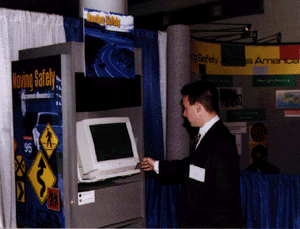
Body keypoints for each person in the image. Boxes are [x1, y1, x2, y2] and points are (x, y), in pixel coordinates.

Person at [141, 80, 245, 228]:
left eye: (185, 108)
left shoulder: (221, 142)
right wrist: (156, 165)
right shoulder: (209, 135)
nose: (184, 114)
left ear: (197, 107)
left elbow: (224, 200)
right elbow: (191, 167)